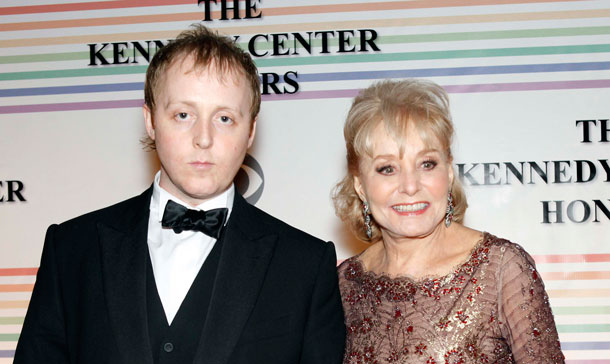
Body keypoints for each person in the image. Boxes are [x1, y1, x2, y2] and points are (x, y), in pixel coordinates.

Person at [15, 24, 345, 364]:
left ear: (250, 131)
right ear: (151, 120)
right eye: (183, 115)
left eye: (225, 118)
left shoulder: (305, 266)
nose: (203, 138)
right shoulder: (72, 249)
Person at [333, 79, 564, 364]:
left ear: (449, 171)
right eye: (387, 168)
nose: (410, 185)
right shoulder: (343, 285)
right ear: (359, 185)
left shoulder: (500, 269)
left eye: (426, 163)